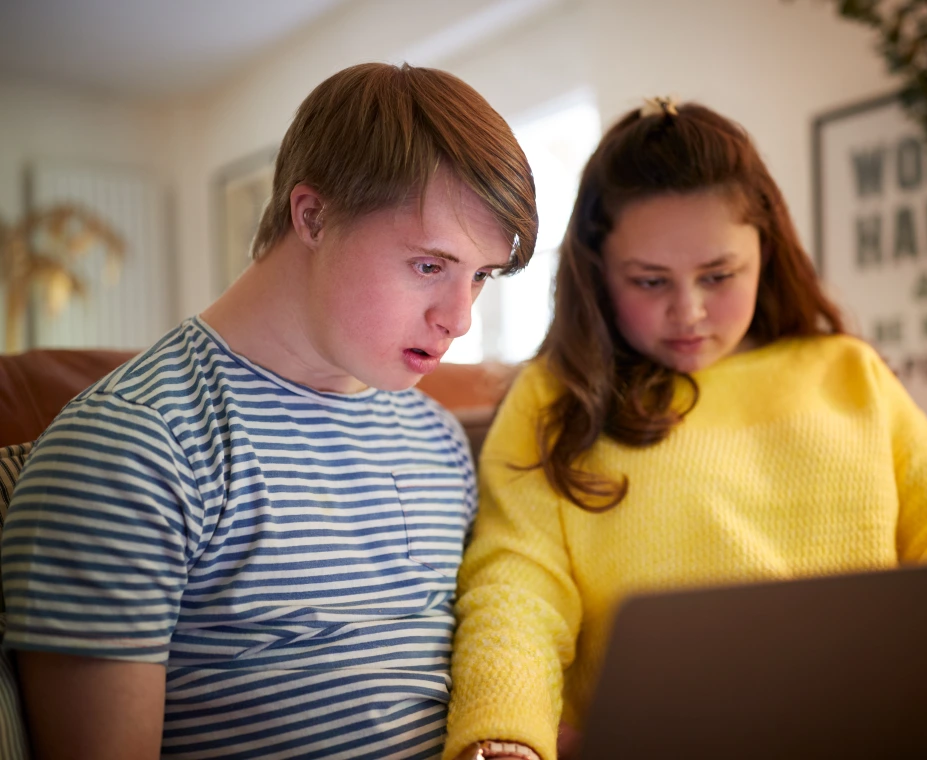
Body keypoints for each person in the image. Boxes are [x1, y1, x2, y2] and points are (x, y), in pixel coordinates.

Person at [443, 99, 927, 760]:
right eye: (649, 281)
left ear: (767, 249)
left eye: (719, 276)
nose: (688, 311)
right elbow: (516, 586)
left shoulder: (848, 372)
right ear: (598, 275)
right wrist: (505, 733)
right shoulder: (555, 396)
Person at [1, 62, 536, 759]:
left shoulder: (433, 437)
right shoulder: (129, 448)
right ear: (313, 216)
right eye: (430, 266)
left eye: (481, 277)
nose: (460, 319)